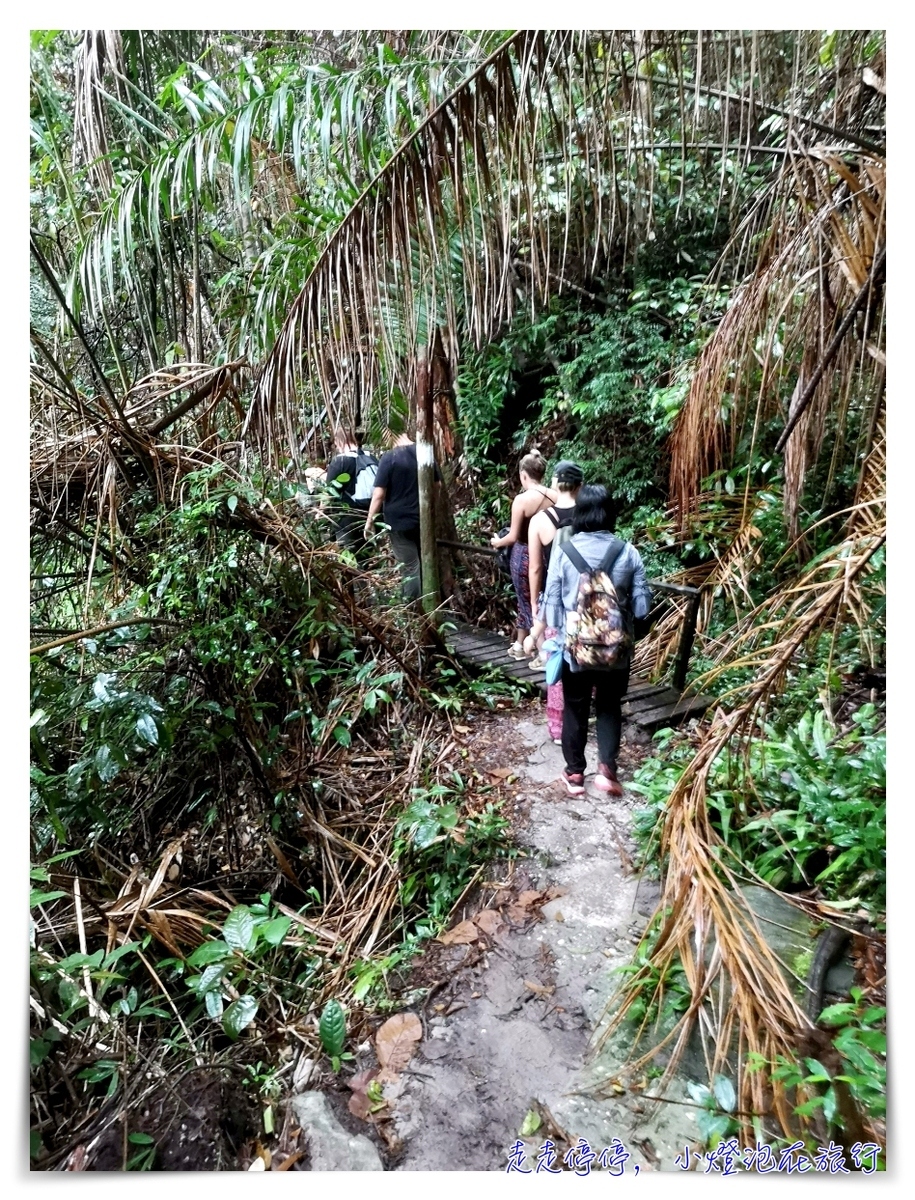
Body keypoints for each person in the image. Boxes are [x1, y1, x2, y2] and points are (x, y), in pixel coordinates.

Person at [528, 484, 652, 797]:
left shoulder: (564, 550)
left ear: (580, 513)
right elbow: (642, 608)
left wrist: (541, 633)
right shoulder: (628, 552)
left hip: (576, 649)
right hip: (616, 651)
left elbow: (552, 601)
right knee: (610, 706)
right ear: (611, 514)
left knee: (575, 707)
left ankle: (574, 775)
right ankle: (607, 772)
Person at [523, 460, 584, 742]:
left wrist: (536, 606)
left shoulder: (540, 520)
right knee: (582, 659)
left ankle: (559, 729)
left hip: (556, 602)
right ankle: (580, 718)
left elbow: (535, 567)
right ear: (580, 485)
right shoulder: (590, 515)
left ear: (554, 483)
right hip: (586, 601)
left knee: (557, 661)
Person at [490, 451, 557, 658]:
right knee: (532, 599)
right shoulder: (555, 496)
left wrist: (496, 542)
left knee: (529, 603)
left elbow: (513, 536)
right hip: (548, 554)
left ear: (524, 475)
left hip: (525, 554)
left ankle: (543, 653)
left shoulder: (521, 500)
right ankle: (520, 644)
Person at [363, 428, 440, 603]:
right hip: (422, 518)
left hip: (398, 523)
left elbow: (379, 495)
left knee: (411, 566)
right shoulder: (424, 452)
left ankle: (412, 611)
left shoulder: (390, 458)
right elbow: (437, 485)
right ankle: (430, 604)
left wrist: (369, 521)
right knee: (424, 561)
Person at [325, 428, 376, 550]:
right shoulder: (371, 457)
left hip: (347, 518)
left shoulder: (340, 461)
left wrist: (320, 513)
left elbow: (329, 493)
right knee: (367, 553)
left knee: (349, 557)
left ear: (338, 441)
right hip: (371, 513)